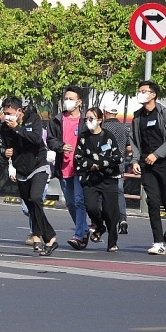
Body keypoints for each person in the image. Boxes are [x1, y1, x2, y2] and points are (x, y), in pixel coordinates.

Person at [130, 80, 166, 256]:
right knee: (152, 202)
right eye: (139, 91)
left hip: (165, 163)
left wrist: (157, 154)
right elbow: (134, 140)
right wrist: (135, 161)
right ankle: (158, 242)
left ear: (153, 94)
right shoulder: (137, 116)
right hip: (147, 165)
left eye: (144, 91)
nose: (140, 94)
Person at [0, 96, 57, 255]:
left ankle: (49, 237)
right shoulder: (4, 127)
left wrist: (17, 128)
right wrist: (5, 152)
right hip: (21, 170)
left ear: (19, 111)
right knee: (30, 205)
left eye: (9, 113)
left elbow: (36, 139)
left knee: (36, 197)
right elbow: (2, 146)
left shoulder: (33, 119)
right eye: (5, 113)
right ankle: (38, 237)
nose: (7, 116)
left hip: (38, 165)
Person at [74, 108, 122, 252]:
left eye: (92, 118)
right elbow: (78, 158)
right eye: (86, 118)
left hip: (108, 178)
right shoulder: (83, 137)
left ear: (100, 120)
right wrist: (90, 165)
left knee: (110, 211)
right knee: (91, 206)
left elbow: (116, 157)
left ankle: (112, 242)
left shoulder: (108, 136)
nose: (88, 121)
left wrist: (99, 164)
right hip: (90, 178)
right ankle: (99, 226)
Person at [48, 86, 89, 250]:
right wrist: (60, 146)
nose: (67, 101)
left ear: (79, 102)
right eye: (66, 98)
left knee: (80, 201)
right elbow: (50, 140)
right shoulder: (57, 120)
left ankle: (79, 235)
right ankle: (84, 230)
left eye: (71, 99)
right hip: (64, 167)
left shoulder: (86, 121)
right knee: (71, 203)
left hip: (80, 168)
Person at [100, 103, 131, 235]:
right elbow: (129, 149)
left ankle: (103, 220)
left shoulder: (102, 127)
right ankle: (123, 219)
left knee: (102, 193)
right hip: (120, 165)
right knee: (119, 192)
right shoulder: (124, 128)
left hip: (103, 166)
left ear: (104, 112)